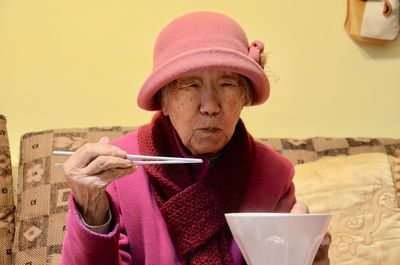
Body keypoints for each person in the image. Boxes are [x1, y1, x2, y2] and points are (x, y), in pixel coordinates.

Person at [60, 11, 331, 265]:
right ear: (163, 101)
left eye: (227, 84)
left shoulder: (273, 173)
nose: (210, 106)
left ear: (245, 98)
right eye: (190, 85)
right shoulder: (118, 169)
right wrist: (92, 211)